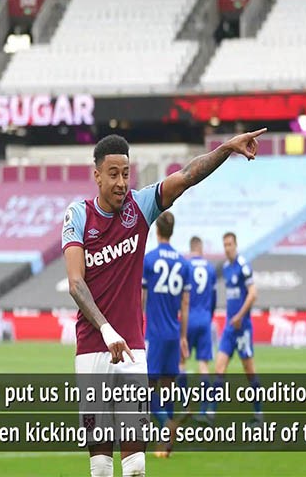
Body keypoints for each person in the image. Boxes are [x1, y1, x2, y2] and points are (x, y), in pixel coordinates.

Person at [62, 128, 266, 477]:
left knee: (136, 466)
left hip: (132, 350)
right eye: (113, 174)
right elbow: (75, 283)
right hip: (93, 348)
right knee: (100, 468)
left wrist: (226, 148)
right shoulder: (78, 215)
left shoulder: (140, 207)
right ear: (97, 176)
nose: (121, 183)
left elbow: (186, 176)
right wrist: (107, 329)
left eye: (126, 174)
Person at [141, 211, 190, 458]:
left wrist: (137, 325)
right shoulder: (183, 263)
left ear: (157, 230)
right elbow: (185, 304)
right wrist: (183, 337)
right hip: (173, 332)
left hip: (155, 333)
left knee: (145, 388)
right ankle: (166, 445)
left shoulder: (149, 260)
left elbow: (142, 298)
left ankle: (165, 423)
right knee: (168, 387)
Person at [211, 232, 261, 423]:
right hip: (229, 327)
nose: (227, 248)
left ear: (236, 245)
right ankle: (211, 414)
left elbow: (253, 294)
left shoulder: (243, 266)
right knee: (219, 367)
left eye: (230, 244)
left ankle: (258, 414)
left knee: (249, 372)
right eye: (225, 245)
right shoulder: (226, 268)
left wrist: (240, 316)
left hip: (243, 328)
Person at [184, 236, 217, 422]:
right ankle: (205, 410)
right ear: (201, 248)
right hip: (204, 319)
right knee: (203, 365)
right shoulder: (210, 268)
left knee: (181, 362)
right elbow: (214, 298)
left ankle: (185, 406)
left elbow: (182, 295)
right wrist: (208, 316)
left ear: (191, 248)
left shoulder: (186, 266)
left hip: (188, 319)